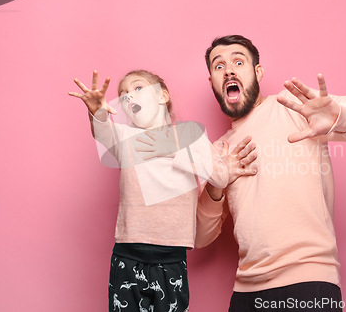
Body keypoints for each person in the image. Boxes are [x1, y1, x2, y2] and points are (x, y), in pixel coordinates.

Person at [195, 35, 346, 311]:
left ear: (258, 72)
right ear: (212, 82)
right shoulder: (219, 150)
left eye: (238, 62)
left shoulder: (294, 106)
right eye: (219, 67)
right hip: (246, 293)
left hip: (310, 281)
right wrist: (215, 185)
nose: (229, 70)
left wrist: (338, 114)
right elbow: (199, 238)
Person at [69, 70, 229, 312]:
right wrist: (97, 111)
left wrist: (175, 150)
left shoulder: (189, 136)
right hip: (127, 254)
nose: (129, 96)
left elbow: (221, 176)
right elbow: (103, 132)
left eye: (138, 88)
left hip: (171, 258)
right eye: (123, 95)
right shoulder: (126, 137)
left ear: (162, 96)